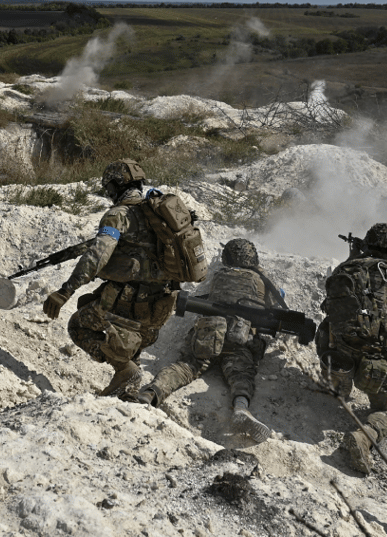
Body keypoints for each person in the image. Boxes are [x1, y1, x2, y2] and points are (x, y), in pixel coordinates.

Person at [41, 159, 187, 398]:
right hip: (159, 309)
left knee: (78, 324)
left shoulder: (119, 215)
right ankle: (129, 389)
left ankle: (124, 370)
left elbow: (98, 254)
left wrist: (65, 292)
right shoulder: (160, 215)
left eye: (109, 189)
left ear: (115, 187)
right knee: (127, 331)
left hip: (129, 305)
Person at [135, 238, 280, 443]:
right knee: (241, 374)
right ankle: (240, 407)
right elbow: (272, 311)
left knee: (186, 367)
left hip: (209, 334)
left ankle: (151, 392)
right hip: (239, 338)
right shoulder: (261, 279)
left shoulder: (220, 275)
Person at [317, 222, 387, 474]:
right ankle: (364, 436)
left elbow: (330, 302)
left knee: (328, 328)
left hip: (338, 353)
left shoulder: (345, 268)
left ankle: (337, 385)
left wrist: (354, 258)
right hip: (377, 360)